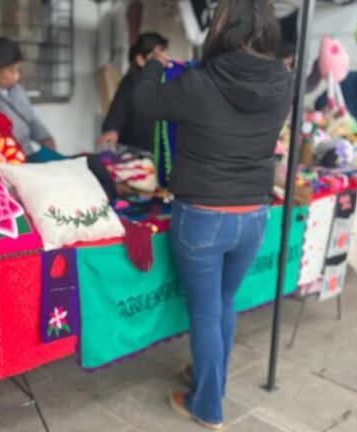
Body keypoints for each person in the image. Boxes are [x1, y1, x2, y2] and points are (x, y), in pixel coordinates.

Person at [132, 0, 292, 429]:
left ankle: (208, 406)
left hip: (203, 215)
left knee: (207, 312)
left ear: (224, 28)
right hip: (255, 215)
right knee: (223, 304)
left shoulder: (199, 82)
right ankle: (208, 378)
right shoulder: (284, 81)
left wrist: (151, 65)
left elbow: (144, 102)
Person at [97, 32, 169, 151]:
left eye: (165, 53)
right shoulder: (131, 84)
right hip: (138, 151)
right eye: (157, 56)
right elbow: (117, 112)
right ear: (140, 60)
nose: (165, 59)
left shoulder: (167, 80)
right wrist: (112, 130)